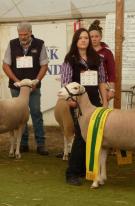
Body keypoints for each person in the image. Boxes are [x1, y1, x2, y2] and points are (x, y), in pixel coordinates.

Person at [60, 28, 108, 185]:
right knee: (81, 136)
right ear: (76, 40)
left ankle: (86, 169)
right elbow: (66, 83)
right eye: (80, 38)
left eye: (86, 38)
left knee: (95, 136)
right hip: (78, 104)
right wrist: (69, 101)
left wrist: (105, 102)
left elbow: (101, 81)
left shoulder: (98, 59)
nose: (83, 40)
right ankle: (72, 173)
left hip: (95, 103)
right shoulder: (69, 60)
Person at [2, 21, 49, 155]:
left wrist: (35, 82)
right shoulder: (12, 44)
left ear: (30, 32)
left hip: (33, 87)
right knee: (18, 116)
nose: (22, 37)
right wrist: (18, 82)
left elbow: (44, 66)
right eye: (20, 34)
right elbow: (5, 65)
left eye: (25, 34)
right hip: (16, 87)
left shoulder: (39, 44)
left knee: (35, 113)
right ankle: (23, 144)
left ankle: (41, 144)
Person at [88, 19, 116, 101]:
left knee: (102, 111)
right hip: (88, 86)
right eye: (91, 37)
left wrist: (112, 89)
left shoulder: (107, 52)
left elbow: (112, 73)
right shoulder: (84, 51)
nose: (94, 39)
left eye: (96, 36)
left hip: (103, 86)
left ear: (101, 37)